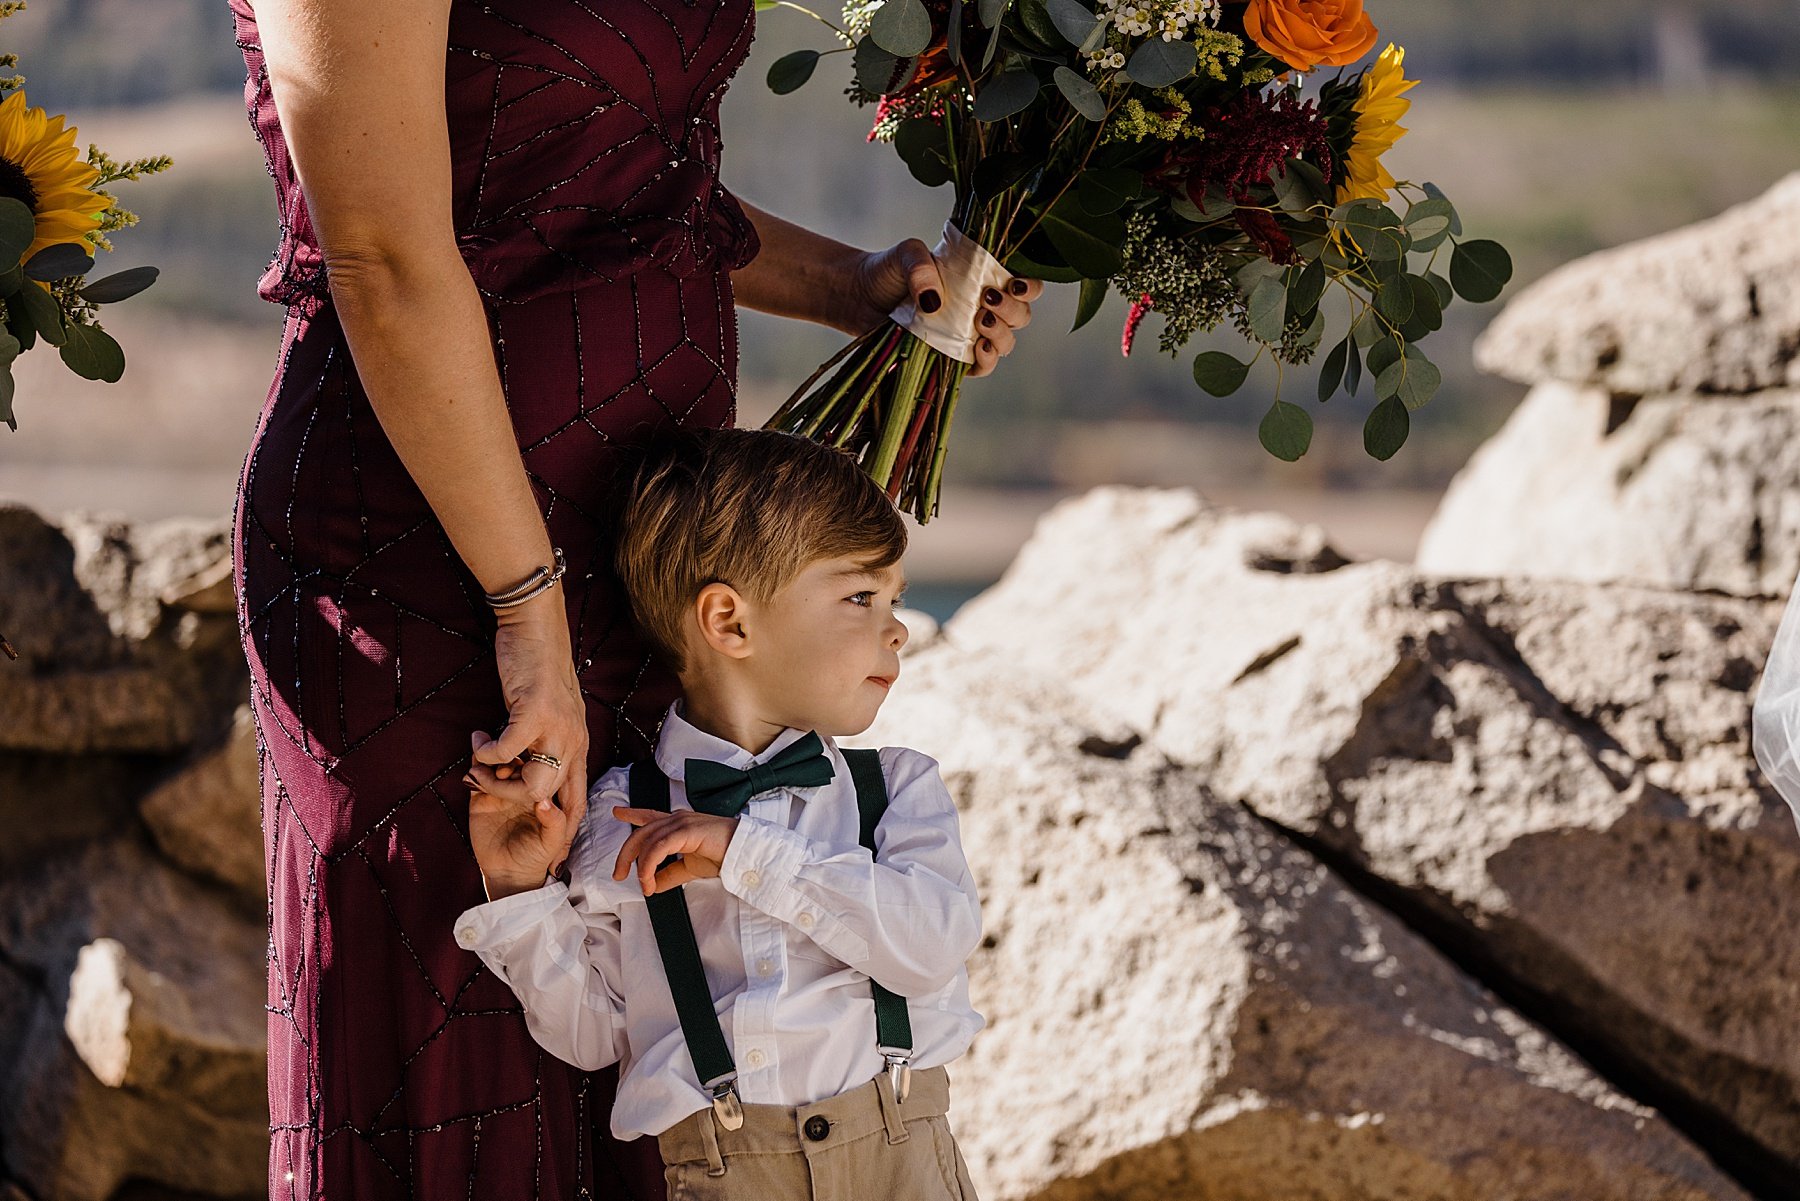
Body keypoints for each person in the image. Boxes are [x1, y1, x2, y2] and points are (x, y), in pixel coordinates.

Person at [226, 0, 1038, 1196]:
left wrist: (861, 285)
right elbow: (385, 256)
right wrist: (527, 610)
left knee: (664, 1020)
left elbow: (634, 176)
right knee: (466, 1045)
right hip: (425, 551)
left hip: (650, 537)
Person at [454, 427, 984, 1199]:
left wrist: (748, 854)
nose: (896, 626)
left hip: (902, 1156)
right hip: (722, 1175)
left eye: (896, 599)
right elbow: (599, 1032)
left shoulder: (896, 788)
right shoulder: (621, 811)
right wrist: (518, 893)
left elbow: (932, 945)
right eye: (861, 596)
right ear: (730, 622)